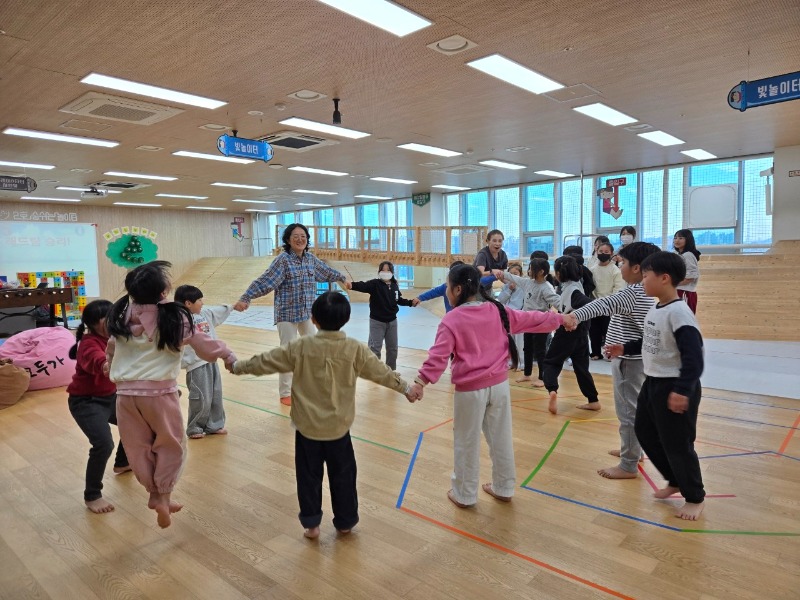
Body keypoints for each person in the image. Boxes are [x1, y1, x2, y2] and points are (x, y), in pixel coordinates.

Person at [228, 292, 420, 539]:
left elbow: (266, 361)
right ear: (346, 319)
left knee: (308, 478)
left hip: (307, 430)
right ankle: (345, 522)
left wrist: (237, 366)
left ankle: (312, 524)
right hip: (338, 430)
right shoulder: (354, 349)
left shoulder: (301, 346)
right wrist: (406, 388)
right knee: (344, 477)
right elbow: (381, 372)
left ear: (313, 319)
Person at [409, 265, 565, 508]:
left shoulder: (452, 319)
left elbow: (438, 357)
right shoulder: (496, 310)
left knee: (466, 442)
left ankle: (464, 494)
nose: (446, 291)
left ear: (457, 289)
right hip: (500, 387)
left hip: (470, 391)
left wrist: (420, 382)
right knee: (501, 438)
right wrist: (561, 319)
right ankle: (504, 487)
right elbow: (532, 319)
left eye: (448, 286)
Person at [107, 261, 236, 528]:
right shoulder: (173, 317)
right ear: (164, 291)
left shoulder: (121, 315)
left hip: (125, 395)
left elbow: (111, 349)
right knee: (170, 444)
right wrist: (227, 354)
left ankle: (155, 494)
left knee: (138, 447)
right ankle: (163, 495)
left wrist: (109, 366)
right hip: (159, 394)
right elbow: (203, 344)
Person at [609, 251, 705, 520]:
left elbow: (694, 357)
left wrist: (682, 390)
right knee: (644, 431)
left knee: (678, 443)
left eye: (646, 276)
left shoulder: (680, 313)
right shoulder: (657, 307)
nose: (642, 281)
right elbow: (652, 340)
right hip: (653, 382)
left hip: (674, 385)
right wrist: (625, 347)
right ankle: (674, 480)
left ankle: (695, 496)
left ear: (664, 278)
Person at [562, 242, 660, 479]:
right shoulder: (643, 291)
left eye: (623, 262)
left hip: (629, 361)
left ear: (636, 268)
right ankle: (634, 451)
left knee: (627, 412)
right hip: (636, 359)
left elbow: (602, 305)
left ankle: (628, 464)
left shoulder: (632, 293)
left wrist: (575, 315)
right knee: (634, 409)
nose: (619, 265)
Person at [234, 223, 348, 406]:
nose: (300, 239)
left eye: (303, 236)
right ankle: (286, 392)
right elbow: (266, 281)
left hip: (306, 312)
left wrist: (342, 277)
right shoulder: (283, 260)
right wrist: (246, 297)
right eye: (295, 236)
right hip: (287, 314)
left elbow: (325, 271)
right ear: (288, 240)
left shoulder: (310, 259)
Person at [66, 299, 130, 514]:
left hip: (110, 397)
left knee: (135, 423)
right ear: (95, 324)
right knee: (103, 444)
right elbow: (96, 360)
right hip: (86, 402)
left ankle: (123, 462)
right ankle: (92, 495)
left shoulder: (117, 338)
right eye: (107, 318)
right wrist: (106, 365)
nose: (114, 321)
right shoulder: (88, 343)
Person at [541, 255, 599, 414]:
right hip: (582, 335)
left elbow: (589, 304)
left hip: (567, 333)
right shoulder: (576, 284)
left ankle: (552, 390)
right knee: (582, 369)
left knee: (551, 362)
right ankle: (593, 400)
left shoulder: (572, 290)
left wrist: (575, 319)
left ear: (559, 273)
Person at [174, 285, 233, 439]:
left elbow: (217, 311)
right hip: (196, 365)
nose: (202, 302)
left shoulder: (203, 313)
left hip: (211, 361)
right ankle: (195, 427)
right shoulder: (180, 320)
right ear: (188, 303)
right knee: (200, 397)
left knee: (215, 394)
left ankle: (215, 425)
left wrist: (233, 306)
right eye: (199, 300)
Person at [493, 258, 560, 386]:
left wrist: (566, 311)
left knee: (540, 351)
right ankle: (527, 374)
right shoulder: (528, 282)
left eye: (531, 269)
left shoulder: (546, 287)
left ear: (541, 272)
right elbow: (515, 278)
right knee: (527, 347)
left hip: (541, 322)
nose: (529, 271)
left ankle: (542, 377)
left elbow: (556, 301)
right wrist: (502, 273)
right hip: (527, 320)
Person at [346, 261, 414, 370]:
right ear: (379, 272)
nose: (385, 272)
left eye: (388, 270)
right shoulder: (375, 284)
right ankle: (374, 371)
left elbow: (398, 300)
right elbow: (363, 285)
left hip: (392, 322)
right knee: (375, 348)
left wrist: (410, 303)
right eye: (383, 270)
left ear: (392, 272)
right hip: (377, 322)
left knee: (392, 348)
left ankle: (390, 371)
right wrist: (352, 285)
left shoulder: (394, 285)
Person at [588, 241, 625, 359]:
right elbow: (590, 287)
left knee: (609, 331)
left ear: (611, 253)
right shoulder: (592, 270)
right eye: (600, 251)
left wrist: (610, 303)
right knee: (594, 330)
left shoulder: (615, 270)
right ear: (596, 252)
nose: (603, 254)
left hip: (610, 306)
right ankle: (595, 352)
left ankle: (609, 353)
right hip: (595, 304)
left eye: (606, 252)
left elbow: (618, 288)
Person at [413, 260, 495, 313]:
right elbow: (433, 292)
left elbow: (487, 279)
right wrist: (420, 298)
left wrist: (498, 275)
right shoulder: (445, 286)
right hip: (453, 317)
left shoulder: (472, 283)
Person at [497, 262, 526, 369]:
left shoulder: (523, 286)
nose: (513, 276)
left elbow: (525, 302)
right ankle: (511, 360)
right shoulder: (506, 286)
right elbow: (500, 300)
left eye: (516, 273)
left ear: (521, 275)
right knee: (509, 339)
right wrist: (509, 289)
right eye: (511, 274)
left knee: (520, 341)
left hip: (519, 316)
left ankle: (522, 361)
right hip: (507, 316)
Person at [673, 229, 701, 313]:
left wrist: (672, 284)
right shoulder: (678, 254)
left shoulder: (688, 255)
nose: (677, 240)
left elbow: (690, 277)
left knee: (684, 318)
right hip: (677, 291)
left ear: (688, 240)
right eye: (675, 238)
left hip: (685, 292)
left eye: (681, 238)